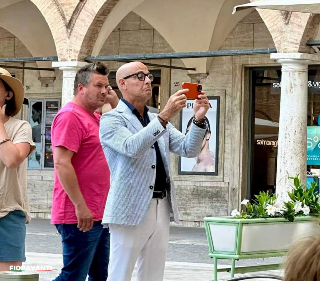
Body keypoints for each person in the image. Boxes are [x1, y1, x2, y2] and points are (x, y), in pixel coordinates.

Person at [99, 61, 210, 281]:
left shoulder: (154, 120)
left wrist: (198, 118)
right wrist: (165, 115)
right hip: (129, 206)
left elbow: (188, 149)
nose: (148, 80)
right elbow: (132, 147)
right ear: (123, 84)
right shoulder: (111, 119)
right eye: (139, 77)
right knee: (120, 274)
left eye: (149, 75)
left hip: (161, 204)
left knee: (153, 275)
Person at [51, 62, 119, 281]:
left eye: (107, 87)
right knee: (73, 276)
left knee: (99, 276)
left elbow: (122, 130)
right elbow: (62, 163)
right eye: (98, 85)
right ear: (81, 88)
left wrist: (114, 101)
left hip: (100, 213)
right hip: (79, 215)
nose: (104, 91)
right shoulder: (70, 116)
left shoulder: (96, 118)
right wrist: (81, 206)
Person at [0, 68, 35, 271]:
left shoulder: (21, 127)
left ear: (8, 94)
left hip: (8, 212)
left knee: (8, 277)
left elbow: (11, 159)